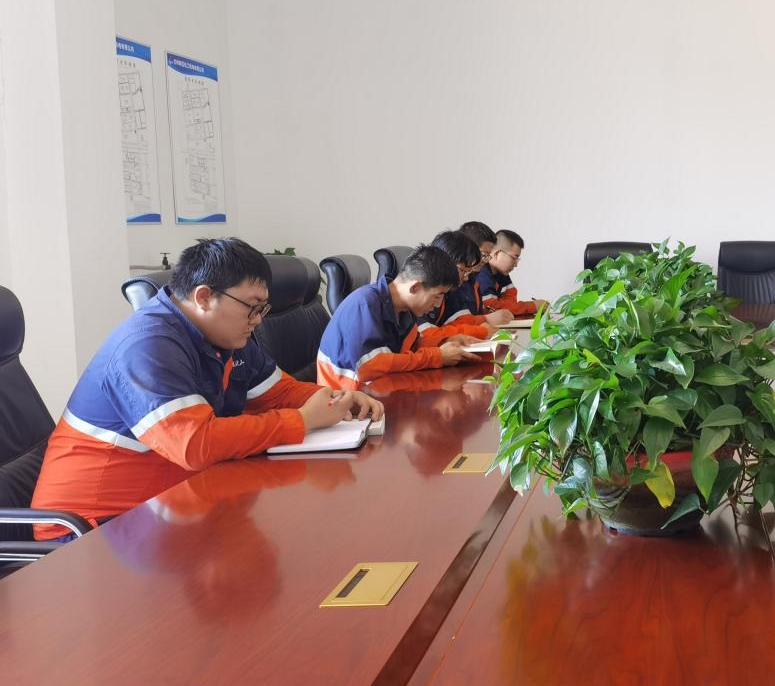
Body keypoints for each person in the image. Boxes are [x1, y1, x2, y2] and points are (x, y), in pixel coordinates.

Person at [29, 238, 382, 539]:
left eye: (263, 308)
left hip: (172, 502)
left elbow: (277, 393)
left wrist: (336, 399)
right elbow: (194, 445)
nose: (258, 319)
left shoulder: (228, 336)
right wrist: (302, 421)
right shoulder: (147, 346)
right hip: (92, 529)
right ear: (204, 297)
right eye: (252, 307)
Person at [317, 244, 483, 389]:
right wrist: (437, 356)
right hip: (350, 402)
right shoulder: (364, 304)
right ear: (415, 287)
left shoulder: (404, 308)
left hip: (382, 392)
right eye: (437, 296)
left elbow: (413, 346)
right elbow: (370, 367)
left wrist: (447, 341)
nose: (438, 304)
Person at [422, 230, 513, 339]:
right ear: (445, 262)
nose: (466, 278)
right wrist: (482, 327)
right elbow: (424, 336)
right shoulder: (421, 289)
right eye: (463, 270)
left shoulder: (454, 289)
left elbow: (462, 319)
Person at [477, 229, 548, 316]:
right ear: (497, 254)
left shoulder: (502, 273)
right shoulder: (481, 275)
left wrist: (511, 307)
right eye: (514, 258)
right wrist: (533, 306)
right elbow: (492, 308)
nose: (515, 265)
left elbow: (511, 301)